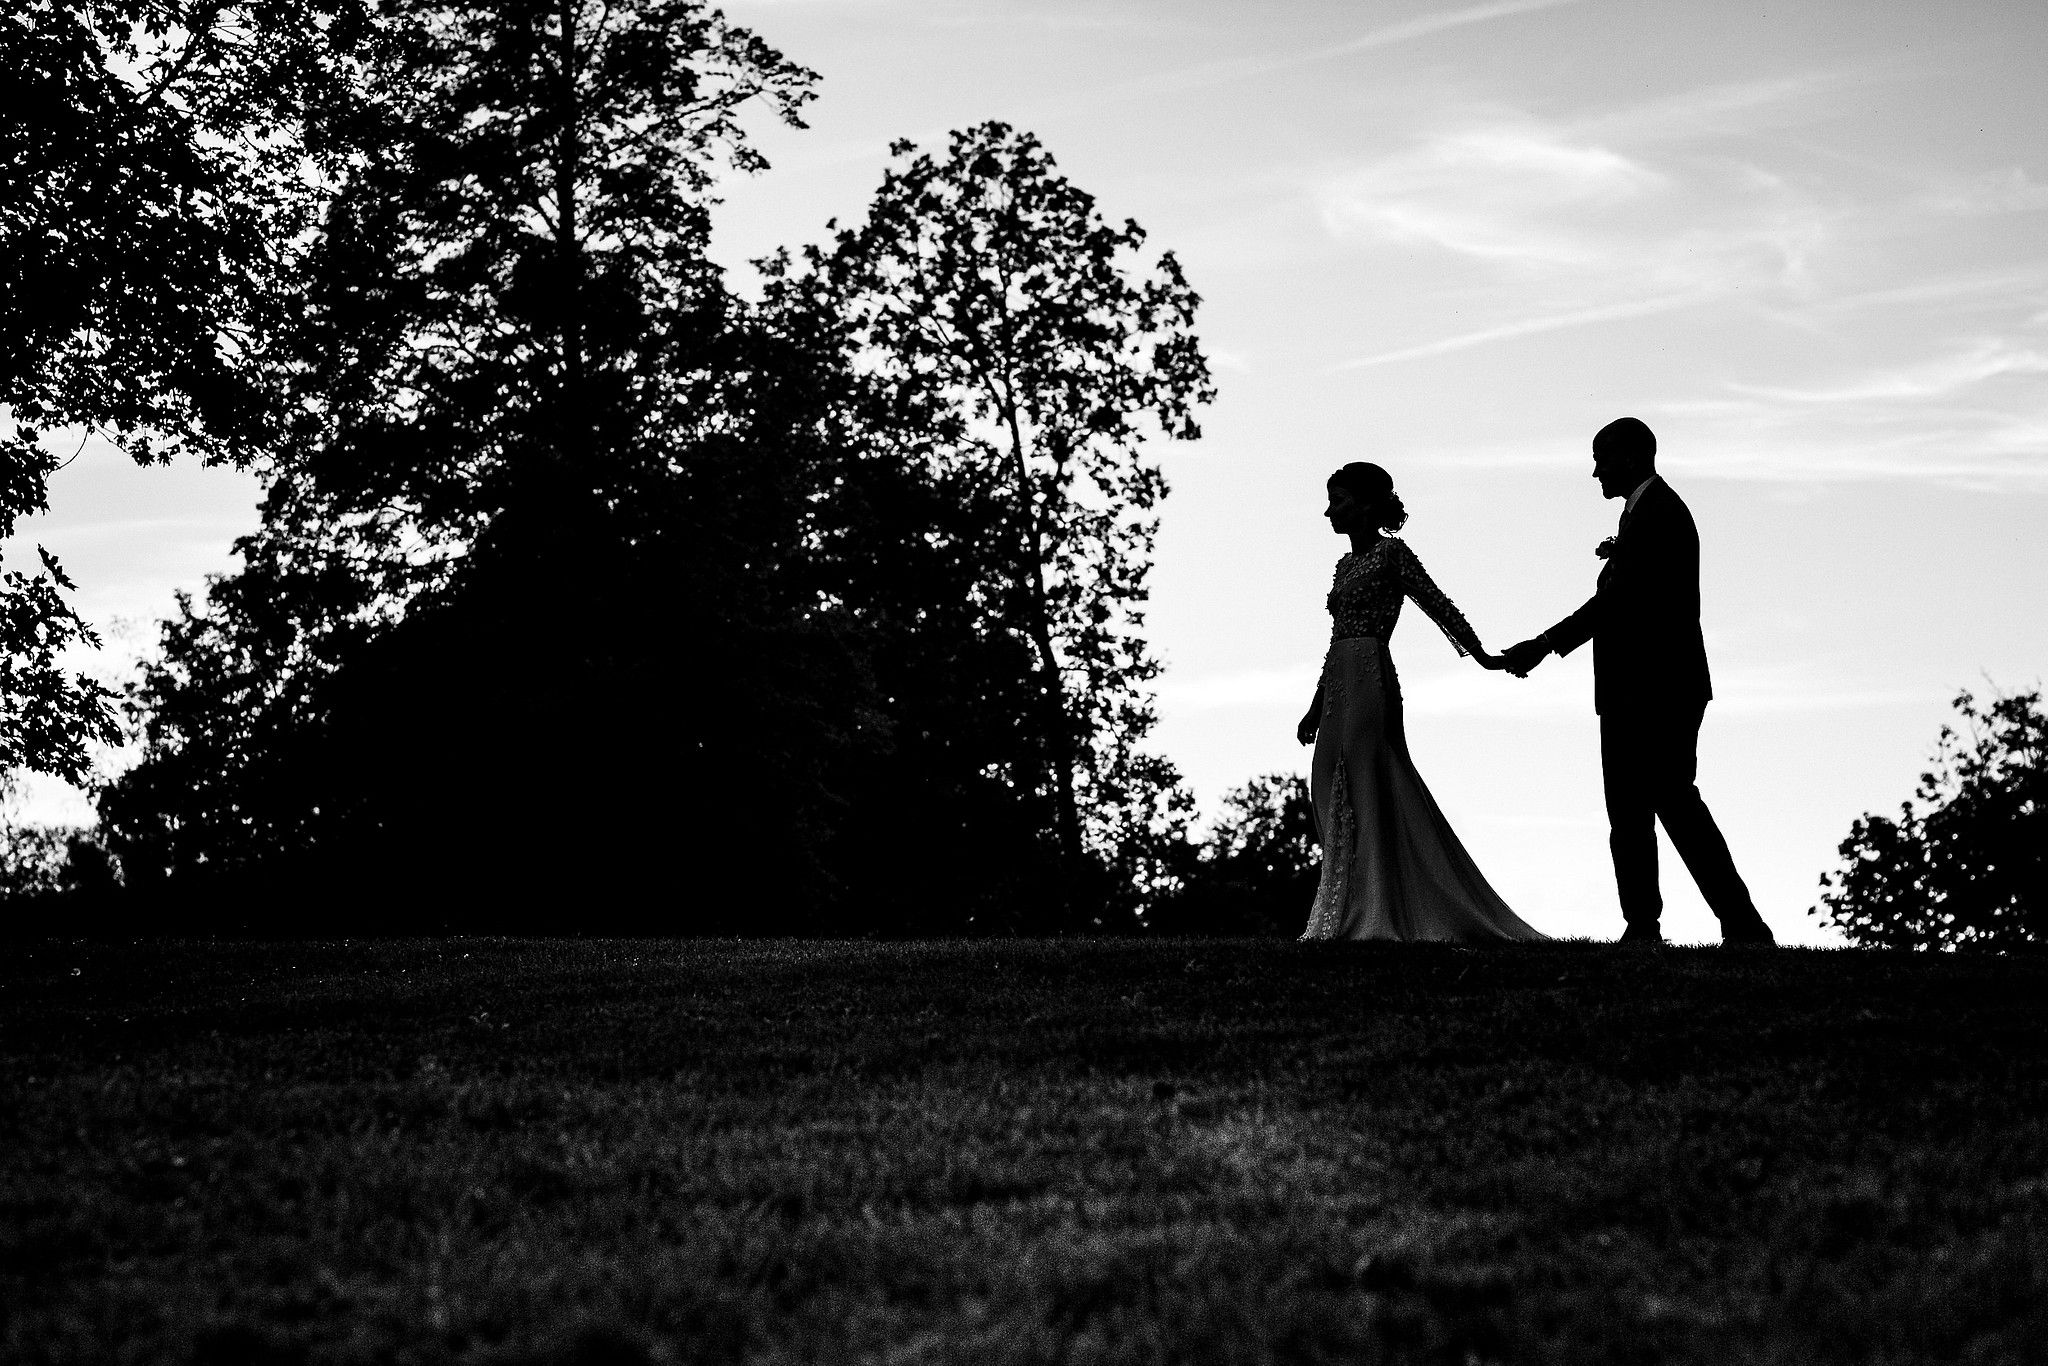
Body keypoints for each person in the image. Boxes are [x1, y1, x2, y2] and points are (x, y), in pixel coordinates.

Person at [1501, 418, 1776, 947]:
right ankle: (1657, 925)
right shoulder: (1645, 515)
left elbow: (1615, 603)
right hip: (1638, 688)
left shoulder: (1659, 514)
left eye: (1601, 458)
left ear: (1630, 456)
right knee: (1638, 810)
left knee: (1668, 804)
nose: (1596, 472)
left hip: (1657, 688)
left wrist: (1543, 645)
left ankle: (1728, 923)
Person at [1297, 462, 1545, 942]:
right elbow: (1336, 637)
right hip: (1339, 684)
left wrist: (1482, 656)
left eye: (1339, 501)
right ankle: (1345, 908)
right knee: (1327, 784)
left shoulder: (1392, 554)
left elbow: (1436, 603)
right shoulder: (1344, 566)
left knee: (1370, 782)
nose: (1330, 512)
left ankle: (1382, 912)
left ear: (1367, 505)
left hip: (1370, 679)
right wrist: (1315, 703)